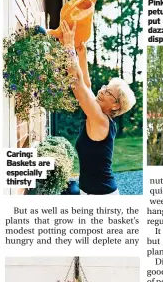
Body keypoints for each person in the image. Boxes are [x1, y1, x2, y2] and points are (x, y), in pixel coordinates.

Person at [60, 19, 136, 195]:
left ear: (116, 105)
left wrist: (69, 45)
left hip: (102, 197)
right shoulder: (99, 115)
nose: (102, 91)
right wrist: (82, 53)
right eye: (105, 87)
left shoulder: (100, 120)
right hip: (92, 193)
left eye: (108, 93)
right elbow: (86, 84)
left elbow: (78, 84)